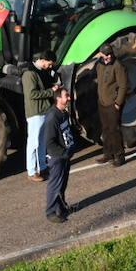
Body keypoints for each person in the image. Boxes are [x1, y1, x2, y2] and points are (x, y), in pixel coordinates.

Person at [21, 51, 57, 182]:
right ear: (43, 59)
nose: (50, 66)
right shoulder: (29, 73)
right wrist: (50, 91)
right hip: (35, 113)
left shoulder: (38, 72)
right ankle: (32, 171)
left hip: (42, 111)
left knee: (41, 141)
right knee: (34, 142)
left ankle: (42, 167)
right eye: (49, 64)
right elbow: (32, 94)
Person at [44, 86, 76, 223]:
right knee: (55, 185)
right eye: (66, 96)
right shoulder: (52, 117)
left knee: (62, 184)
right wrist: (63, 153)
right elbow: (49, 142)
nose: (69, 98)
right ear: (58, 98)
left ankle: (61, 208)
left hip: (65, 155)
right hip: (57, 157)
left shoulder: (64, 113)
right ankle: (51, 212)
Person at [93, 44, 127, 166]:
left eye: (110, 54)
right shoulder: (99, 65)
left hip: (113, 104)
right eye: (106, 54)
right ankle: (108, 154)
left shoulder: (118, 65)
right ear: (101, 55)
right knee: (106, 130)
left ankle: (120, 156)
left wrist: (118, 103)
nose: (109, 56)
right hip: (102, 103)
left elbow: (123, 86)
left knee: (114, 130)